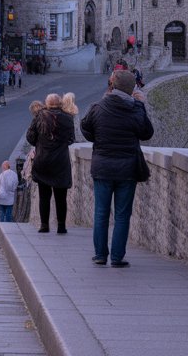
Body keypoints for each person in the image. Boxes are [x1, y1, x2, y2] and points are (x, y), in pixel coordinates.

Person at [80, 69, 154, 268]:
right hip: (127, 169)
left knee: (101, 212)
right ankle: (117, 257)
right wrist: (141, 105)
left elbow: (85, 128)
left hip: (102, 167)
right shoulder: (135, 108)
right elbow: (147, 133)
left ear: (112, 85)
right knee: (122, 214)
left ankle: (100, 255)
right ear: (132, 90)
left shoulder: (99, 106)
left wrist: (99, 138)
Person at [26, 93, 76, 234]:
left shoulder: (39, 117)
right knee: (61, 196)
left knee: (44, 195)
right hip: (60, 160)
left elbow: (30, 137)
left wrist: (41, 143)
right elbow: (71, 139)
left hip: (43, 160)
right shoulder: (68, 118)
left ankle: (44, 225)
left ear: (47, 103)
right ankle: (61, 226)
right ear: (60, 103)